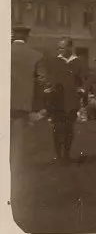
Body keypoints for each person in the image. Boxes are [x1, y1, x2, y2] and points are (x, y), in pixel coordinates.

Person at [10, 25, 46, 177]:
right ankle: (15, 169)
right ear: (26, 37)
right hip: (22, 102)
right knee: (19, 138)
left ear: (13, 36)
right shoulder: (36, 55)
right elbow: (42, 80)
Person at [44, 36, 86, 163]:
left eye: (62, 47)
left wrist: (82, 88)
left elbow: (87, 78)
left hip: (72, 101)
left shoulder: (78, 62)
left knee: (69, 128)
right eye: (58, 47)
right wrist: (48, 87)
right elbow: (47, 78)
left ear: (69, 47)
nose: (59, 50)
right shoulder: (53, 61)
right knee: (57, 127)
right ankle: (58, 155)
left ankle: (66, 154)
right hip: (57, 100)